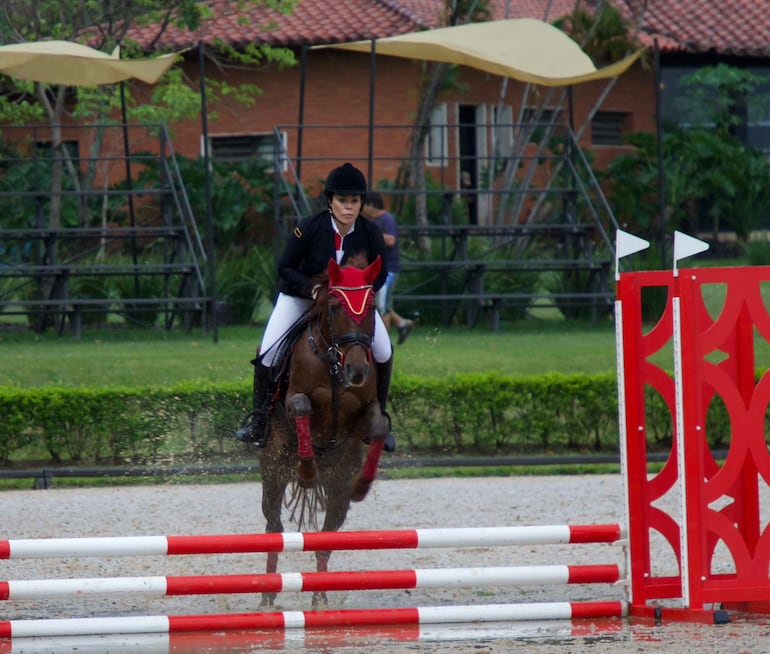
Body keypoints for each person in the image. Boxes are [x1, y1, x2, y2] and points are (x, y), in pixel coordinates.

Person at [235, 163, 396, 452]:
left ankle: (379, 416)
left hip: (349, 305)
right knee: (270, 351)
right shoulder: (308, 227)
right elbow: (285, 267)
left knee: (384, 350)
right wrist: (313, 289)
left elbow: (380, 274)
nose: (349, 208)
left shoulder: (370, 233)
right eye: (342, 201)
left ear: (361, 203)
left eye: (355, 201)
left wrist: (357, 294)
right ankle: (259, 419)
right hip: (302, 297)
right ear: (330, 202)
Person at [361, 191, 414, 345]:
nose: (362, 209)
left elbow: (391, 240)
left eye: (364, 205)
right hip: (378, 270)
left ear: (371, 205)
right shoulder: (371, 221)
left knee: (382, 306)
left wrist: (371, 234)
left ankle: (382, 341)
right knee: (381, 303)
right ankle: (402, 323)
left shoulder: (387, 219)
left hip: (389, 270)